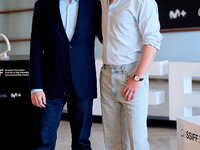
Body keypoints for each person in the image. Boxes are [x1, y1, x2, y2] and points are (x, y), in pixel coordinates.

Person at [29, 0, 102, 149]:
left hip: (83, 82)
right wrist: (36, 87)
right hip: (50, 84)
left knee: (82, 142)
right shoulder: (43, 5)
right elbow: (36, 46)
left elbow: (107, 36)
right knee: (43, 142)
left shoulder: (94, 4)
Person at [100, 0, 162, 149]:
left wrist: (137, 78)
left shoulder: (142, 1)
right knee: (112, 141)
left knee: (137, 142)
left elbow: (152, 41)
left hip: (132, 75)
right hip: (107, 75)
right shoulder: (102, 1)